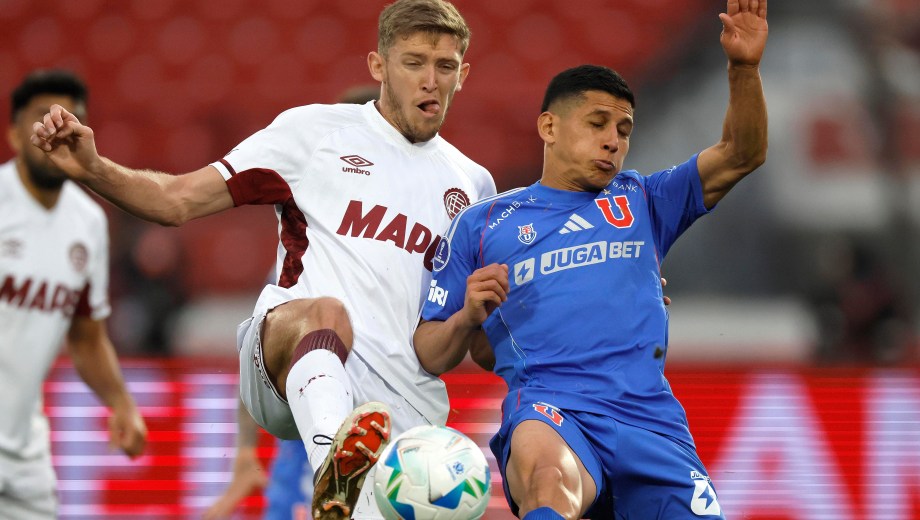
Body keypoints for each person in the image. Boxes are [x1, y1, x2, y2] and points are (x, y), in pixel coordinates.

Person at [30, 1, 495, 518]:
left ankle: (343, 490)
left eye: (445, 66)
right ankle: (332, 474)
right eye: (413, 63)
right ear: (378, 66)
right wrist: (93, 168)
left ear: (463, 74)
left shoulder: (473, 186)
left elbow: (447, 343)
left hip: (404, 409)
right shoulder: (314, 134)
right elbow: (177, 200)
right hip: (287, 355)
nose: (430, 80)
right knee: (326, 312)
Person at [414, 0, 769, 518]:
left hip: (649, 419)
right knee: (548, 478)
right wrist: (470, 316)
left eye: (623, 130)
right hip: (553, 408)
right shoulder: (482, 224)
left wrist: (743, 67)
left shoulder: (644, 200)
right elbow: (430, 350)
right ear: (549, 127)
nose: (612, 141)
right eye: (598, 122)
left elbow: (742, 152)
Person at [204, 82, 382, 520]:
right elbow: (259, 353)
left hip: (387, 441)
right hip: (306, 464)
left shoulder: (418, 242)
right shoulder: (304, 255)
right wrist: (246, 454)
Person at [1, 69, 148, 519]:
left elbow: (86, 336)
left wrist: (121, 403)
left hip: (24, 454)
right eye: (41, 119)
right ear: (12, 133)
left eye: (70, 118)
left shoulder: (88, 222)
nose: (55, 129)